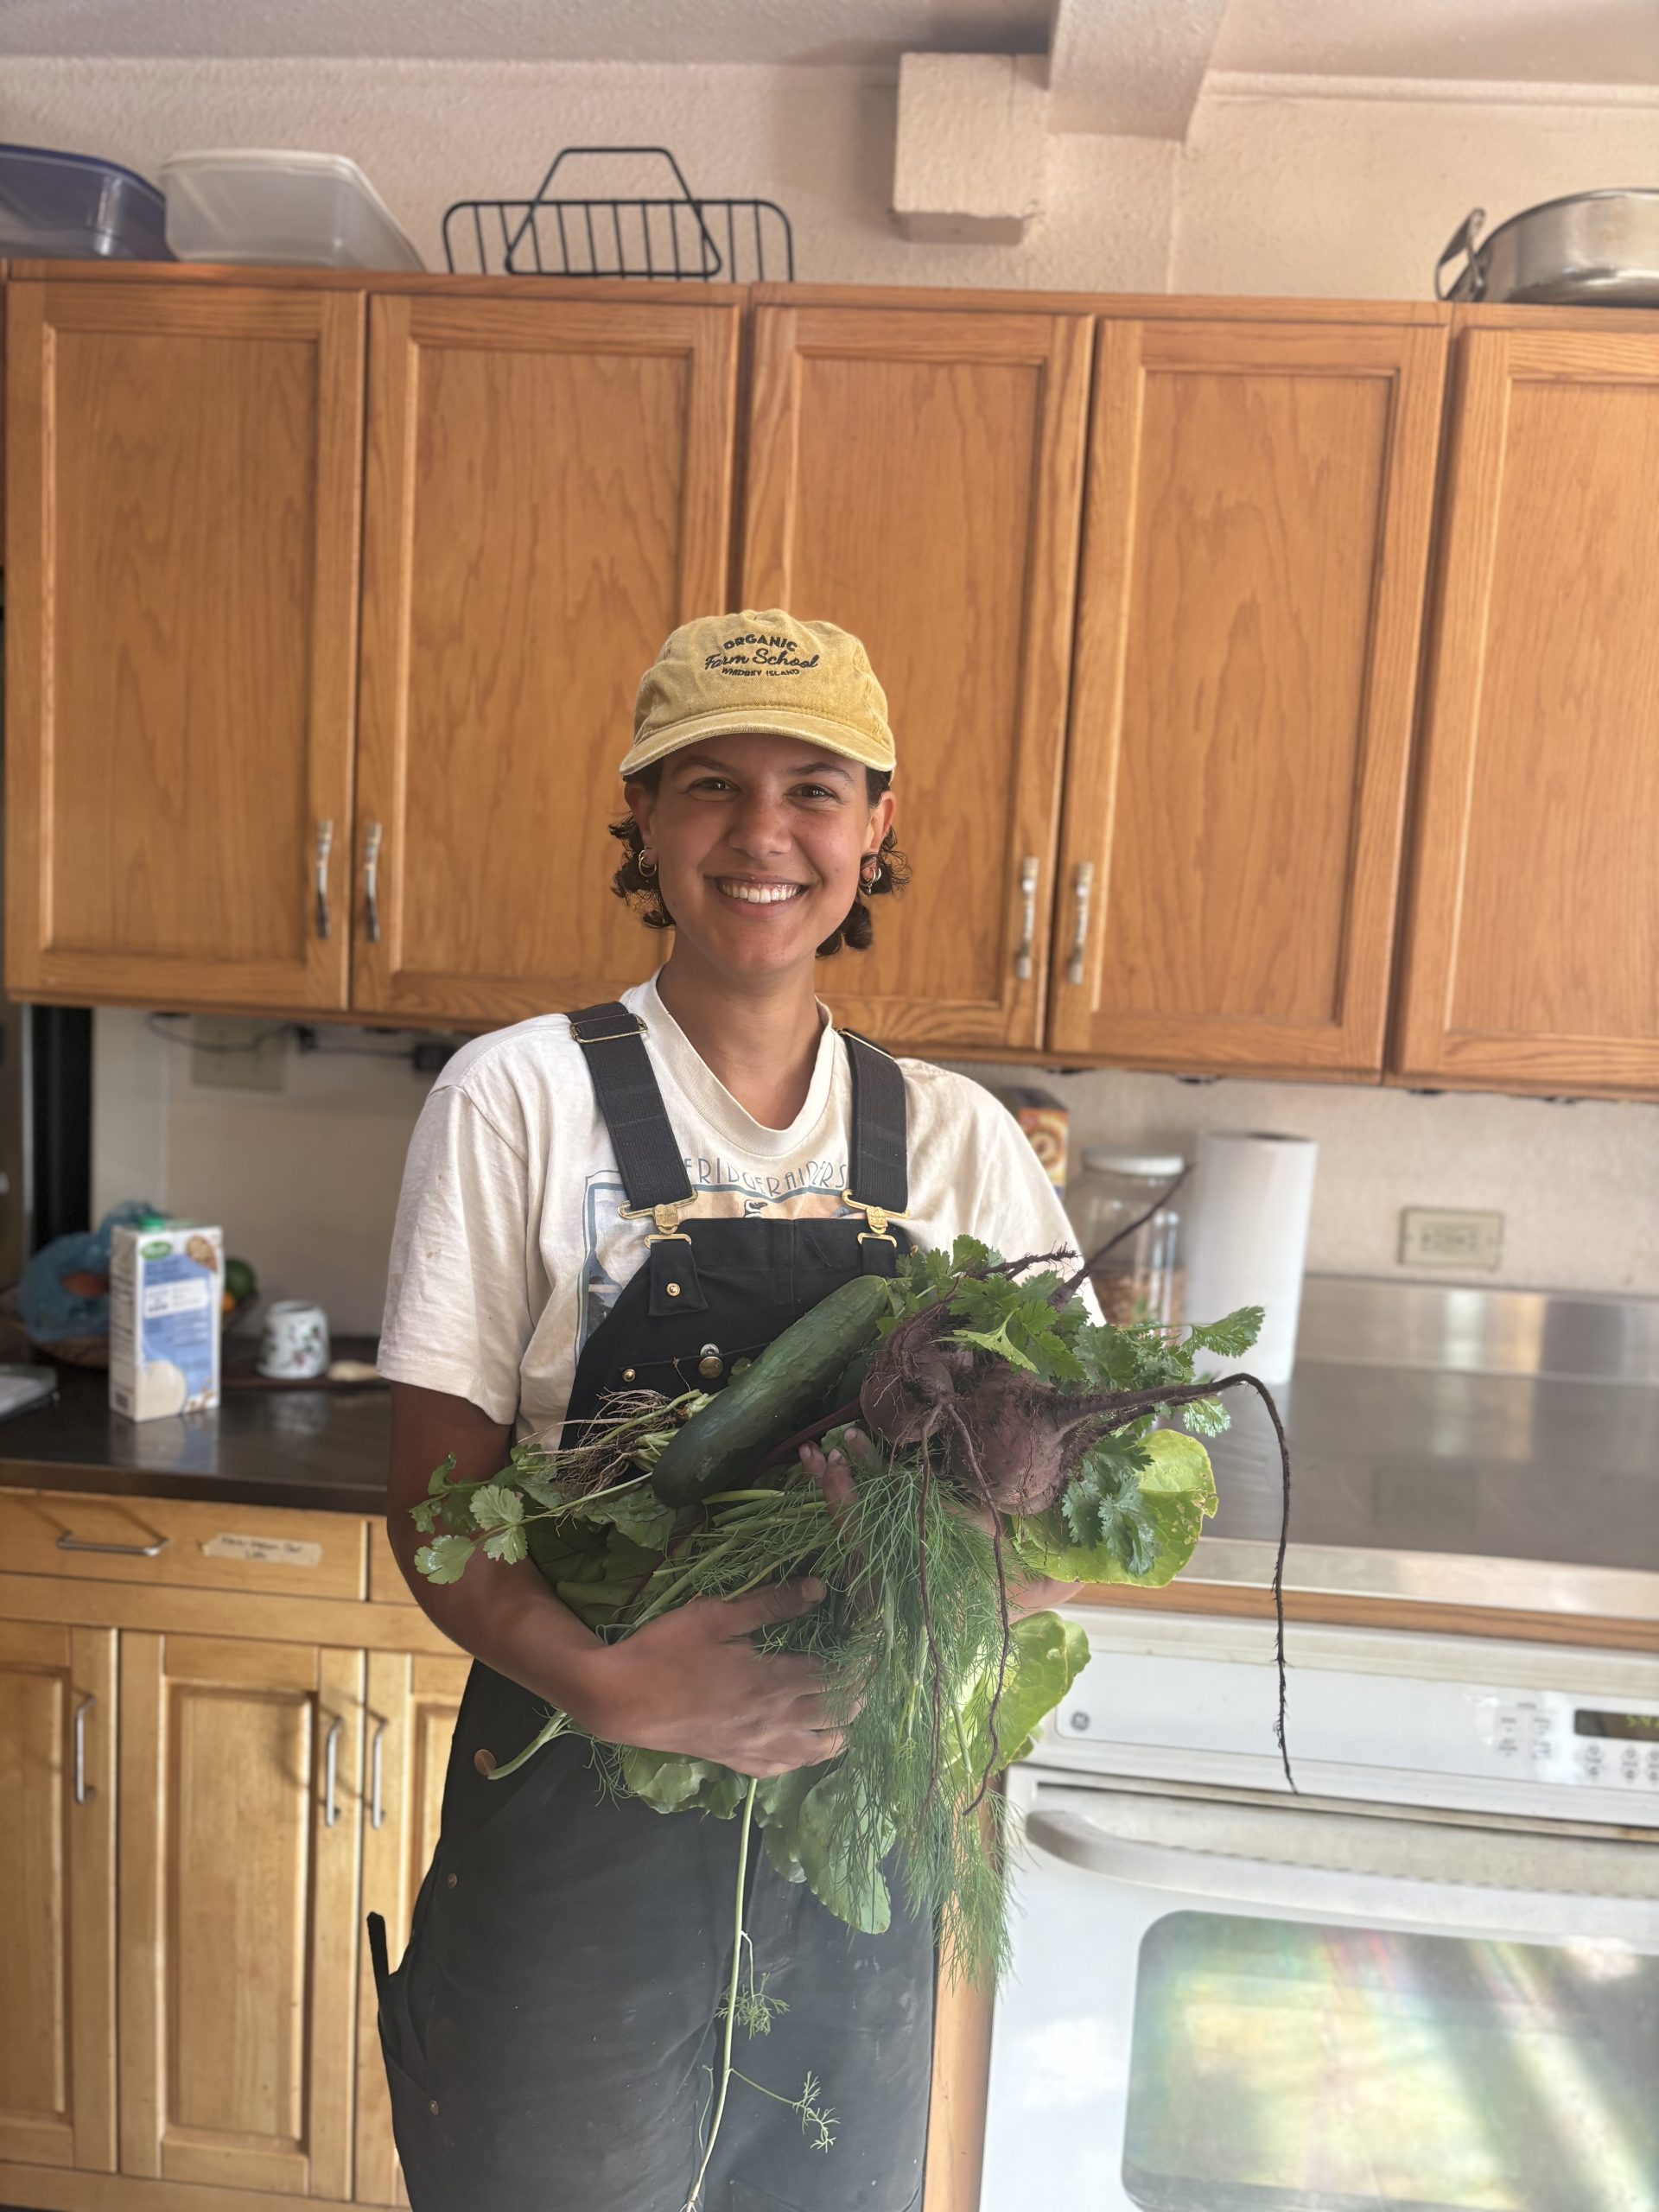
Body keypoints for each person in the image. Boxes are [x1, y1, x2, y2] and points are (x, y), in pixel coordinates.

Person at [372, 609, 1083, 2212]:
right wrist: (617, 1686)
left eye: (814, 788)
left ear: (876, 827)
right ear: (640, 814)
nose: (762, 834)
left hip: (862, 1818)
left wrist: (943, 1582)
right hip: (571, 1798)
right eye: (709, 785)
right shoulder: (520, 1099)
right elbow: (434, 1504)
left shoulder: (961, 1140)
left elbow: (1070, 1515)